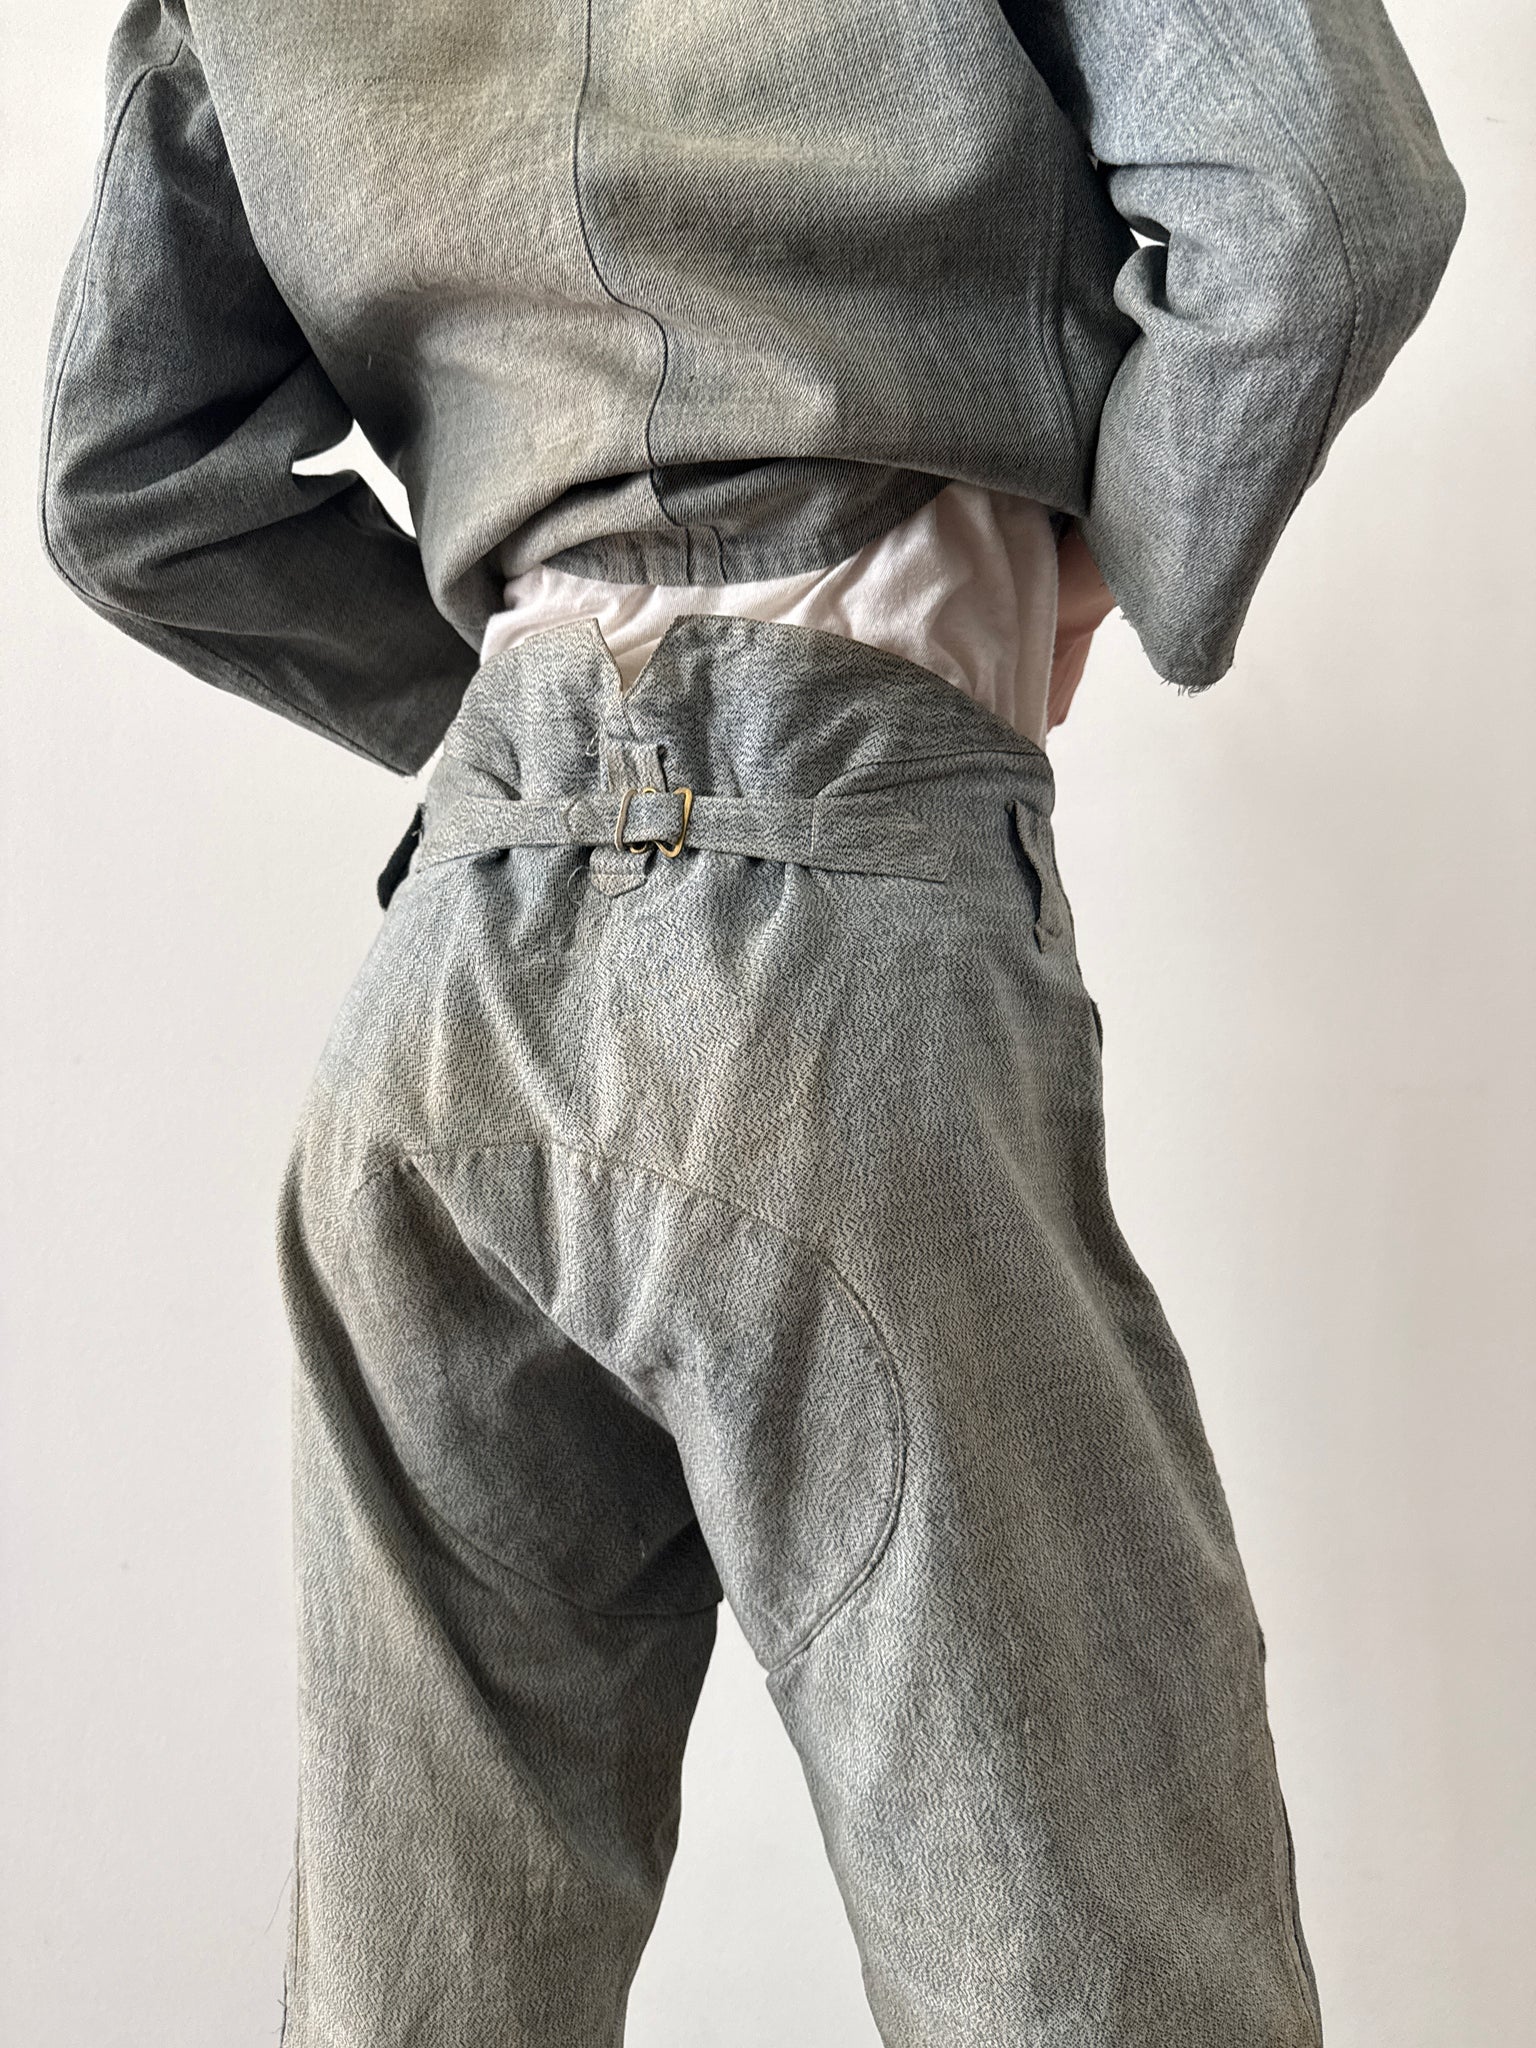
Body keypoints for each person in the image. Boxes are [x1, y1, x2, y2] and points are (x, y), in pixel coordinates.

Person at [36, 2, 1463, 2042]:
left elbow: (127, 479)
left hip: (442, 1010)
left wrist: (507, 730)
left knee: (424, 1996)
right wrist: (1131, 553)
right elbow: (1324, 207)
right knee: (1089, 1960)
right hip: (835, 956)